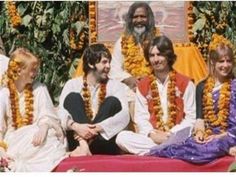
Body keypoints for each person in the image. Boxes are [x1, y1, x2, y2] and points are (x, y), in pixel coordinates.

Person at [148, 34, 236, 164]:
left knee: (208, 149)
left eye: (229, 61)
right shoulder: (202, 86)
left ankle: (225, 147)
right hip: (208, 134)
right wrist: (200, 133)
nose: (225, 65)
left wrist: (219, 137)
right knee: (182, 145)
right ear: (212, 62)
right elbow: (199, 118)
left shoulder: (234, 86)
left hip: (228, 135)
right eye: (221, 61)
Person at [116, 35, 196, 155]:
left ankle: (158, 151)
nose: (156, 59)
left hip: (177, 137)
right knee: (122, 137)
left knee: (190, 137)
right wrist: (152, 134)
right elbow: (141, 118)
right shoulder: (143, 85)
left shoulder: (185, 83)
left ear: (168, 56)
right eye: (152, 55)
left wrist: (170, 135)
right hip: (152, 138)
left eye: (160, 54)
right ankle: (166, 151)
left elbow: (191, 118)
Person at [0, 48, 66, 171]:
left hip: (39, 134)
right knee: (32, 137)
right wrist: (1, 150)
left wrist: (44, 127)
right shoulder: (4, 93)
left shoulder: (39, 88)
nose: (35, 73)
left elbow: (48, 116)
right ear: (20, 71)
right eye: (32, 70)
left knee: (49, 135)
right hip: (15, 140)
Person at [58, 43, 129, 156]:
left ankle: (86, 145)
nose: (109, 66)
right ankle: (84, 145)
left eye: (109, 62)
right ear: (91, 63)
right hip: (77, 143)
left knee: (112, 102)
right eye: (104, 62)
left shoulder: (116, 86)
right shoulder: (72, 84)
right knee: (72, 97)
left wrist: (95, 129)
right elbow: (61, 112)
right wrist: (77, 127)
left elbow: (125, 115)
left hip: (103, 142)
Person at [109, 2, 160, 123]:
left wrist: (148, 80)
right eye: (135, 17)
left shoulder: (159, 40)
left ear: (149, 19)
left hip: (155, 86)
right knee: (127, 98)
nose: (139, 20)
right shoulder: (122, 42)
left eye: (143, 16)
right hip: (131, 88)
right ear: (130, 20)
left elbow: (166, 65)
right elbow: (114, 68)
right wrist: (128, 79)